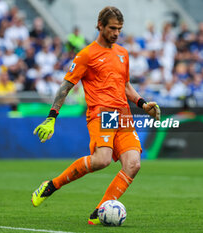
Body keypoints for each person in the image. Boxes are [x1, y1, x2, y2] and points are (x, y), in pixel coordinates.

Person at [31, 6, 160, 225]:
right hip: (102, 114)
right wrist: (52, 116)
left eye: (119, 29)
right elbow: (65, 86)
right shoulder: (86, 55)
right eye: (112, 28)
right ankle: (52, 185)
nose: (116, 33)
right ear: (100, 25)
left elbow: (125, 85)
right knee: (102, 160)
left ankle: (100, 212)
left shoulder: (123, 53)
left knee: (134, 164)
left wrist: (143, 103)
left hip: (124, 115)